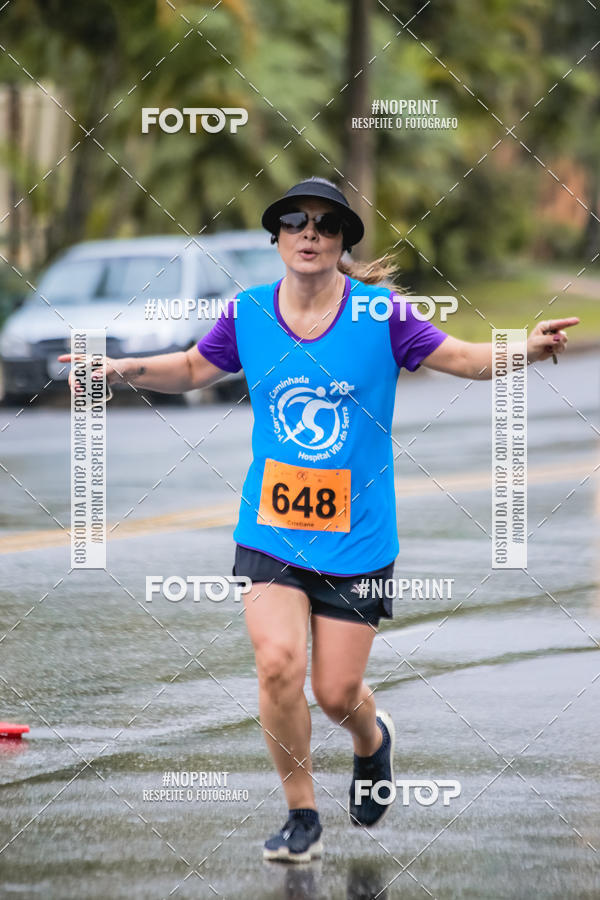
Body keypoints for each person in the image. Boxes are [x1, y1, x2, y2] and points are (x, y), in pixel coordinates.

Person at [59, 176, 579, 863]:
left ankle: (372, 739)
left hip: (359, 536)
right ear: (277, 238)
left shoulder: (379, 314)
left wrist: (529, 349)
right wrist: (117, 369)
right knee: (277, 665)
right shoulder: (248, 311)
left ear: (340, 244)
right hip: (270, 526)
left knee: (336, 694)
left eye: (327, 225)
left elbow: (464, 359)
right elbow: (191, 367)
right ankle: (301, 813)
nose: (310, 233)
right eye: (296, 222)